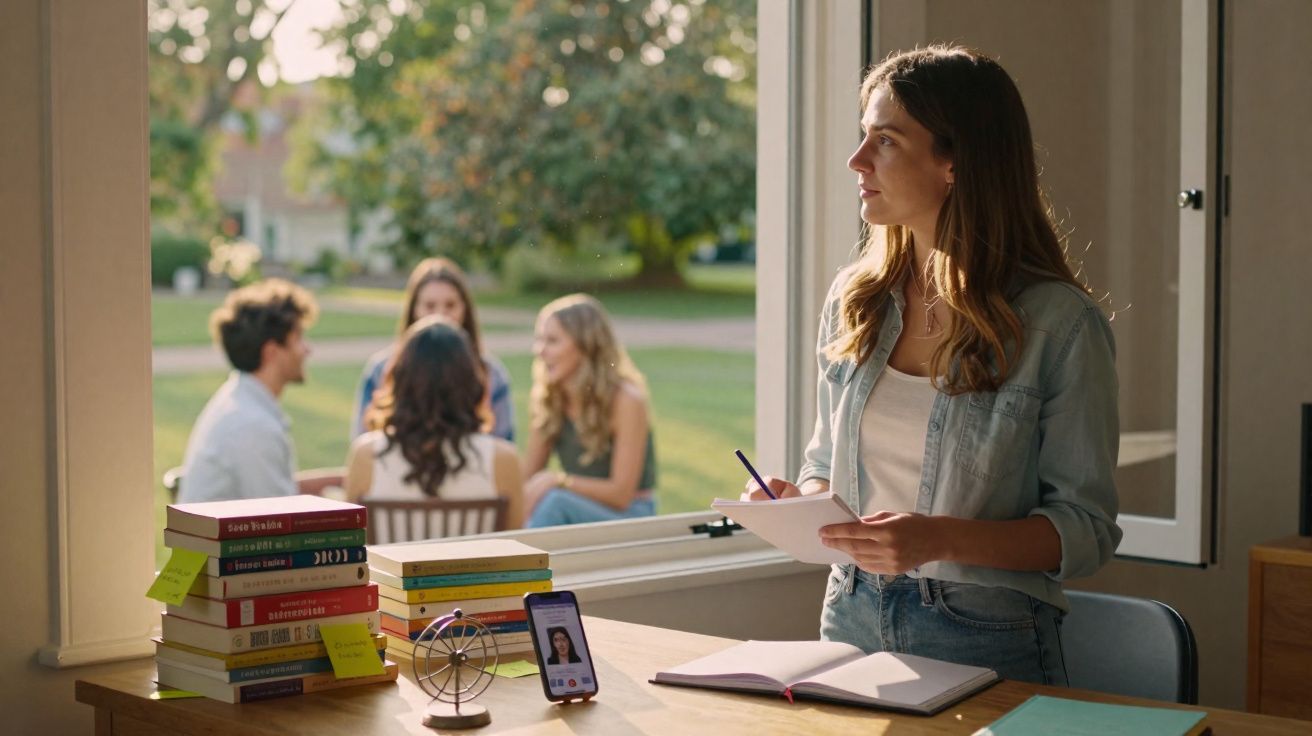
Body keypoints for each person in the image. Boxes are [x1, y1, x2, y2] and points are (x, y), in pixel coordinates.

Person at [740, 45, 1121, 686]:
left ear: (955, 162)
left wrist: (938, 539)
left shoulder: (1060, 324)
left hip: (988, 634)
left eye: (885, 140)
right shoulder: (856, 300)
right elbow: (823, 465)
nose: (856, 161)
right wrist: (799, 505)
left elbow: (1084, 532)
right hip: (851, 616)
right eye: (864, 136)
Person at [344, 315, 524, 529]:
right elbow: (515, 547)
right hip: (472, 563)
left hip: (389, 564)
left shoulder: (366, 456)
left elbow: (352, 544)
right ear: (471, 381)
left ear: (400, 378)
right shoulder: (504, 460)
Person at [178, 279, 318, 503]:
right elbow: (281, 523)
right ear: (272, 351)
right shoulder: (253, 426)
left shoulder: (240, 401)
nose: (307, 350)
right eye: (298, 339)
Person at [522, 294, 657, 527]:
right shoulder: (550, 397)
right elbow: (528, 480)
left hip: (632, 515)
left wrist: (559, 481)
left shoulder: (627, 400)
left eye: (552, 341)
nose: (540, 351)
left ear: (586, 346)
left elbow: (621, 495)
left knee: (555, 502)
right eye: (539, 339)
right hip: (577, 509)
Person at [351, 258, 514, 441]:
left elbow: (503, 445)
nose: (440, 316)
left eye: (450, 305)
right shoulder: (382, 370)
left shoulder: (490, 373)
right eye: (430, 306)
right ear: (414, 310)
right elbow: (362, 444)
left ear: (465, 309)